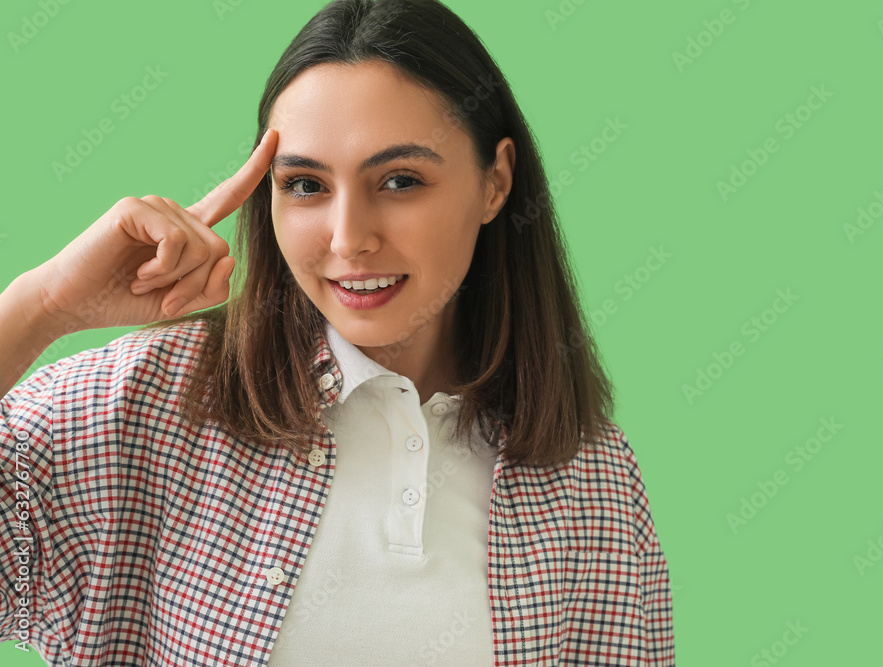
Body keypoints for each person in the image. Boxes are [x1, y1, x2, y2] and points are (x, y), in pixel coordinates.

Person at [0, 0, 674, 664]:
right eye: (305, 185)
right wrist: (40, 306)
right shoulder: (140, 406)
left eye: (400, 180)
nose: (350, 239)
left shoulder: (593, 479)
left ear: (495, 182)